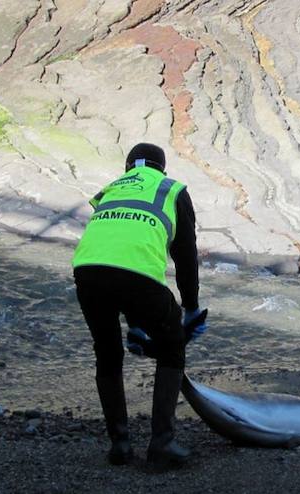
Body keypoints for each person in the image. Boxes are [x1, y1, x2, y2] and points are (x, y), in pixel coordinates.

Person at [72, 143, 206, 467]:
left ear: (128, 166)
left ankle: (119, 445)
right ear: (163, 168)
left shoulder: (110, 189)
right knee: (173, 345)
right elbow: (185, 256)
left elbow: (115, 248)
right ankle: (162, 444)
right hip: (138, 278)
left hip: (86, 270)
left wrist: (135, 324)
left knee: (107, 351)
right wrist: (190, 307)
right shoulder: (171, 189)